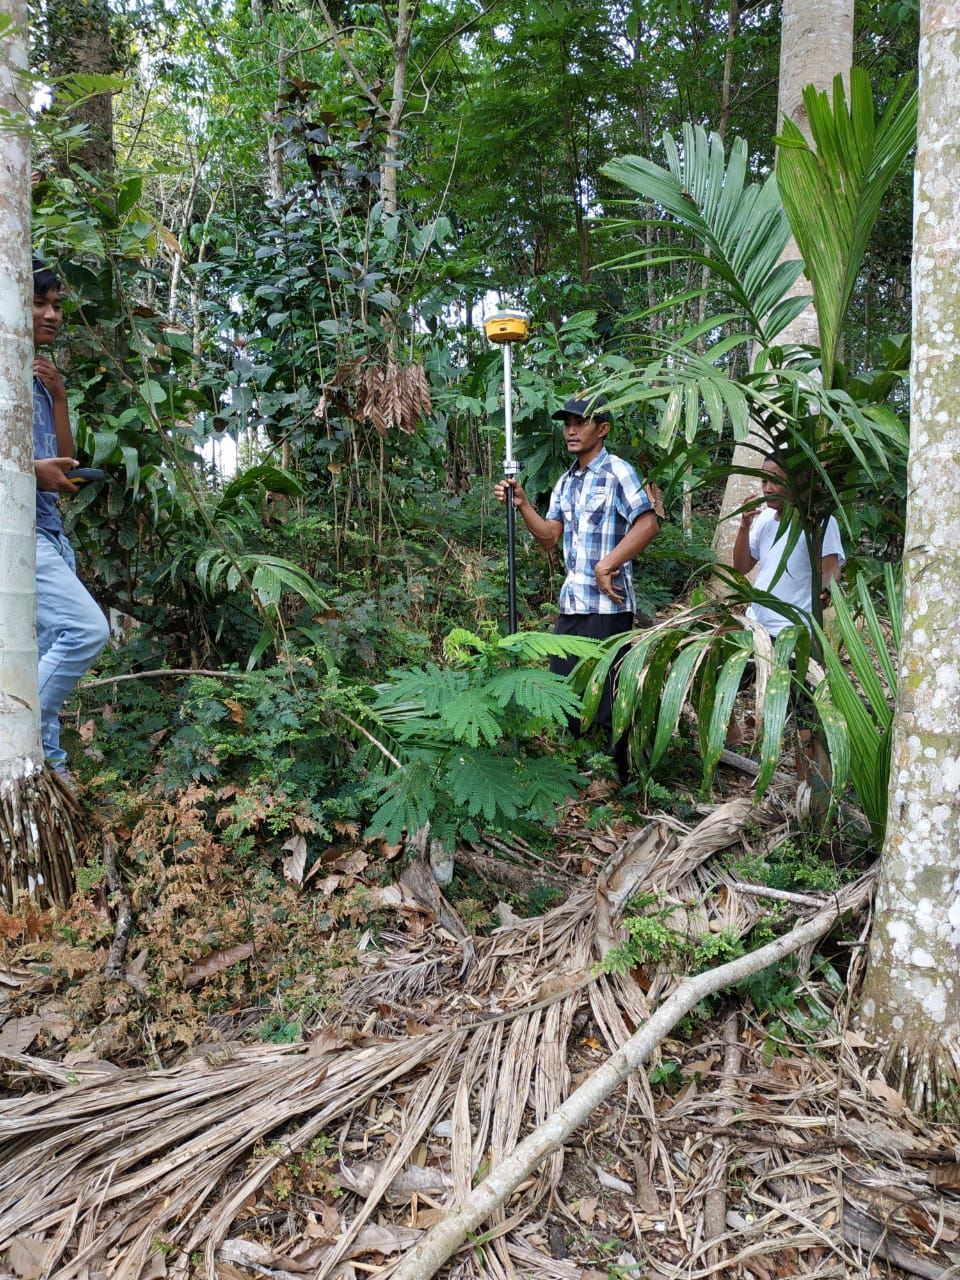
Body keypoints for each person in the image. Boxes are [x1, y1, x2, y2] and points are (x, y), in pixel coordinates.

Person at [495, 394, 659, 778]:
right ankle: (573, 773)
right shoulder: (566, 481)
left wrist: (608, 564)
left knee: (606, 695)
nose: (571, 429)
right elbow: (550, 536)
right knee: (561, 688)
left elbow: (648, 524)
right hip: (573, 602)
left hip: (609, 605)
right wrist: (523, 505)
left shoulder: (618, 472)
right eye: (567, 422)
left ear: (602, 429)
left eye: (580, 422)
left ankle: (617, 776)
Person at [32, 260, 109, 774]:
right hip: (20, 536)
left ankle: (51, 775)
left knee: (37, 661)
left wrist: (59, 395)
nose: (52, 314)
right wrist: (32, 470)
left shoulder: (39, 378)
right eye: (40, 303)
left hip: (52, 532)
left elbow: (67, 456)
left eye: (57, 305)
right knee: (86, 631)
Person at [732, 455, 845, 636]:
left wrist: (826, 592)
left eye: (775, 481)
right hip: (755, 625)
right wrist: (744, 526)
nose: (767, 489)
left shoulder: (820, 522)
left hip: (791, 630)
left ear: (796, 481)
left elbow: (830, 569)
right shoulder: (765, 518)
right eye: (763, 481)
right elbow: (741, 567)